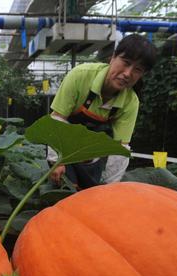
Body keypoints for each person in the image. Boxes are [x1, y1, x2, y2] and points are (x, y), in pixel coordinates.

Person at [48, 34, 157, 188]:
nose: (127, 73)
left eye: (137, 70)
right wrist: (56, 161)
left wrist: (109, 186)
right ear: (113, 57)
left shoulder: (130, 102)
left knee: (91, 196)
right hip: (64, 149)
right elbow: (57, 119)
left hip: (92, 156)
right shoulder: (79, 76)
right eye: (125, 63)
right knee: (61, 192)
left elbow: (120, 147)